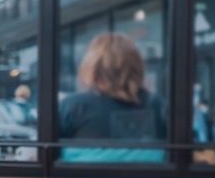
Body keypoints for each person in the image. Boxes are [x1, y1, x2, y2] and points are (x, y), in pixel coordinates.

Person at [59, 33, 167, 162]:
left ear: (92, 65)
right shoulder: (158, 105)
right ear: (137, 66)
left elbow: (46, 157)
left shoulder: (72, 107)